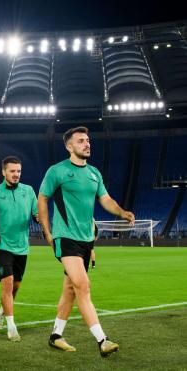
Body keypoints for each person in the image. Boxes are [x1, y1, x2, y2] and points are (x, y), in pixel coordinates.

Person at [38, 126, 134, 357]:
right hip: (65, 236)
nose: (87, 144)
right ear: (69, 146)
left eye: (88, 140)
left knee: (70, 289)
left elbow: (106, 199)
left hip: (85, 240)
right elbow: (42, 200)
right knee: (82, 285)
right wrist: (48, 233)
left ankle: (56, 335)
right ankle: (102, 340)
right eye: (81, 141)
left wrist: (122, 212)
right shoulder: (57, 171)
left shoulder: (94, 173)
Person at [0, 156, 38, 341]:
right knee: (8, 284)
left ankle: (0, 313)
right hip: (2, 246)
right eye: (12, 171)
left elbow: (37, 214)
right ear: (3, 172)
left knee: (16, 286)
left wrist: (42, 218)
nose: (16, 174)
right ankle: (11, 327)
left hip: (22, 247)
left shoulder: (29, 191)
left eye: (18, 171)